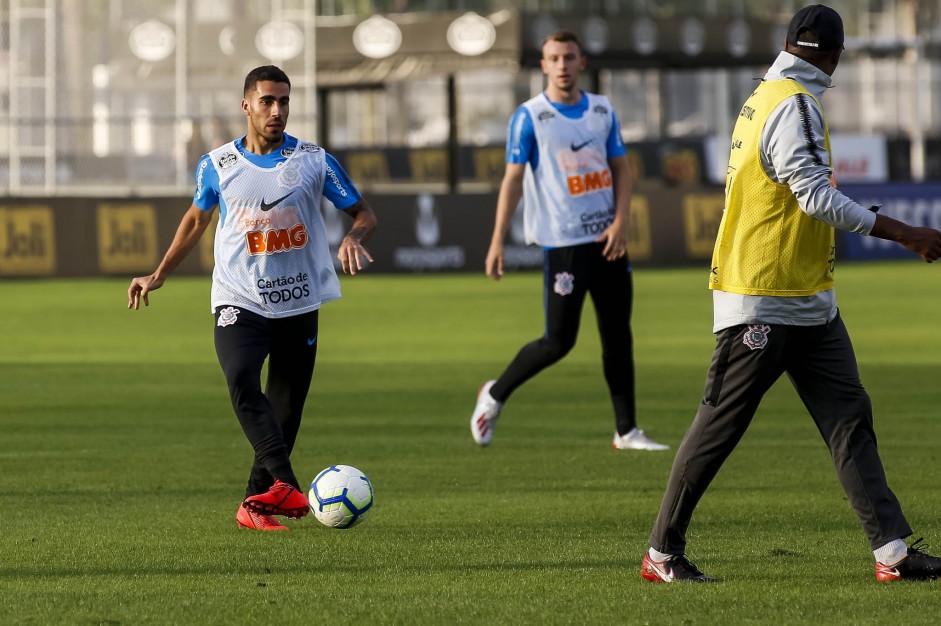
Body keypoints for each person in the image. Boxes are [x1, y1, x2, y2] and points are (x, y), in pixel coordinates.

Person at [641, 4, 941, 583]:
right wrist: (904, 232)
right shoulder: (795, 105)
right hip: (763, 295)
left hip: (808, 299)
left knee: (850, 417)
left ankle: (893, 554)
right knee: (717, 429)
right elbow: (815, 198)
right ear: (834, 57)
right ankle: (662, 553)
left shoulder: (762, 97)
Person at [127, 65, 377, 531]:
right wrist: (159, 273)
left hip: (299, 302)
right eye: (267, 101)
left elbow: (363, 211)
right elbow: (195, 222)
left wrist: (354, 236)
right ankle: (287, 484)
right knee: (241, 377)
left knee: (285, 414)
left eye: (284, 101)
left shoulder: (314, 160)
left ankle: (254, 505)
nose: (277, 110)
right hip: (239, 298)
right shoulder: (218, 164)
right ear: (246, 105)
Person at [469, 31, 668, 452]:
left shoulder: (602, 109)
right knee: (558, 341)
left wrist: (621, 222)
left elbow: (622, 170)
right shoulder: (529, 116)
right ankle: (494, 394)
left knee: (618, 336)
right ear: (543, 65)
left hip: (608, 240)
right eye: (554, 58)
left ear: (582, 62)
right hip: (564, 245)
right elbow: (512, 180)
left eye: (569, 57)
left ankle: (627, 431)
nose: (562, 65)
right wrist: (496, 242)